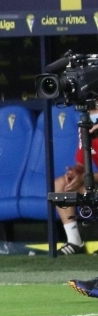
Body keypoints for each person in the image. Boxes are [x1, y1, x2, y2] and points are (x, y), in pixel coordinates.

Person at [53, 109, 98, 255]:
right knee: (61, 185)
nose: (92, 110)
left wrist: (87, 178)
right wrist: (75, 173)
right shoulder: (86, 124)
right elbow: (81, 163)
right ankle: (74, 241)